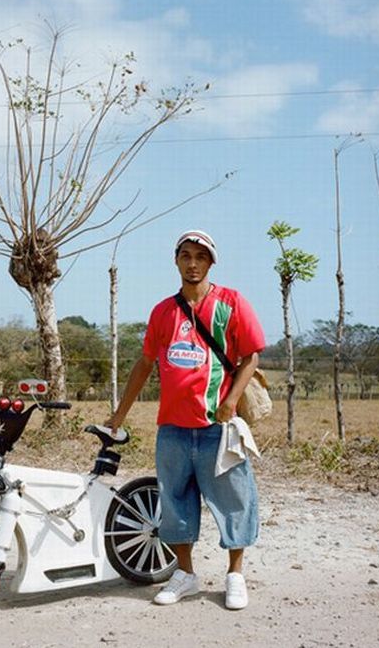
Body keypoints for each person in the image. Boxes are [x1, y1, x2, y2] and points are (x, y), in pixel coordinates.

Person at [106, 229, 265, 609]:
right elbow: (145, 363)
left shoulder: (231, 303)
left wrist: (230, 400)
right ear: (176, 260)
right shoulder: (163, 311)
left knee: (233, 500)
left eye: (201, 257)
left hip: (216, 428)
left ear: (211, 262)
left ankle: (235, 575)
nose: (193, 264)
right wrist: (120, 412)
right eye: (186, 256)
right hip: (173, 429)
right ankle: (186, 574)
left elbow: (251, 357)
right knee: (175, 503)